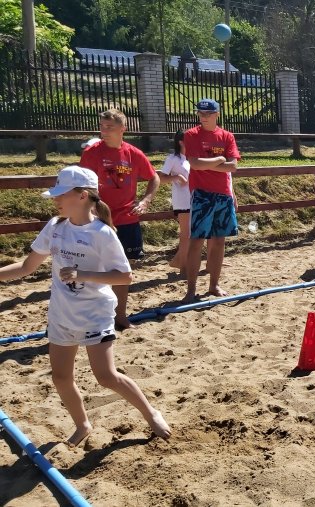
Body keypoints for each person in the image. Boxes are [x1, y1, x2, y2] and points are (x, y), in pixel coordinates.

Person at [0, 166, 171, 447]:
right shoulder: (55, 227)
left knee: (106, 376)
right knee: (60, 377)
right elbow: (28, 267)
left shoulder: (102, 233)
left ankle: (151, 413)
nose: (55, 200)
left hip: (95, 313)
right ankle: (82, 425)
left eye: (60, 194)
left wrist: (83, 275)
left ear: (81, 196)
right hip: (61, 314)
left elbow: (125, 276)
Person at [79, 108, 159, 330]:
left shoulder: (133, 153)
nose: (104, 131)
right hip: (98, 220)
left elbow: (154, 178)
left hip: (126, 219)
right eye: (102, 126)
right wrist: (91, 206)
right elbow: (83, 184)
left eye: (109, 127)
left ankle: (120, 316)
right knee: (94, 268)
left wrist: (145, 201)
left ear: (123, 129)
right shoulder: (92, 152)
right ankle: (94, 315)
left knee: (122, 271)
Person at [182, 99, 239, 300]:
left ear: (217, 114)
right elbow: (195, 164)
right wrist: (218, 159)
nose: (204, 117)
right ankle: (191, 290)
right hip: (202, 195)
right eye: (201, 114)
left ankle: (213, 285)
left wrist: (210, 164)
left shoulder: (226, 136)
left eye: (208, 113)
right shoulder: (191, 135)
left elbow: (233, 166)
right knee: (196, 241)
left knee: (219, 241)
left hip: (223, 194)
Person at [157, 130, 191, 273]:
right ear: (181, 141)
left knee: (190, 233)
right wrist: (176, 178)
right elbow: (161, 178)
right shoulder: (173, 158)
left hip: (193, 198)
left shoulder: (190, 158)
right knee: (186, 233)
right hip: (182, 200)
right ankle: (181, 263)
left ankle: (180, 261)